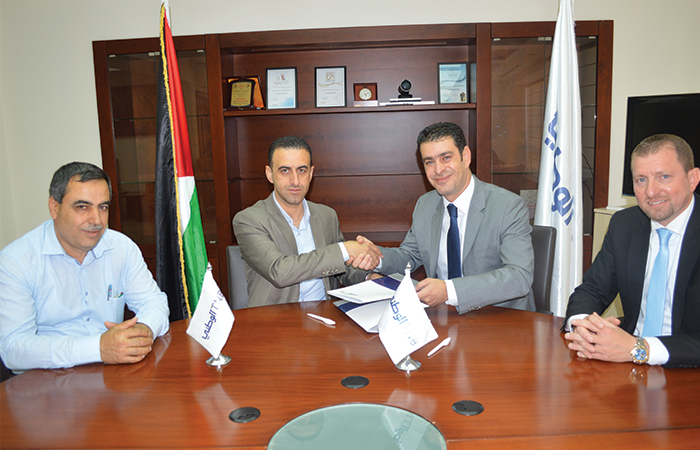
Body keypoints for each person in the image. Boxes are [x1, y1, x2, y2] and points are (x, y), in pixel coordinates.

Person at [0, 162, 169, 373]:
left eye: (103, 207)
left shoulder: (121, 247)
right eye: (82, 207)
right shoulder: (16, 261)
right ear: (54, 207)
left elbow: (154, 302)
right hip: (47, 382)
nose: (96, 220)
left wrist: (144, 331)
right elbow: (14, 349)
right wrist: (97, 348)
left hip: (112, 374)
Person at [365, 122, 534, 313]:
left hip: (497, 317)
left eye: (446, 158)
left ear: (466, 156)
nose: (438, 170)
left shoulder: (507, 206)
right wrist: (376, 258)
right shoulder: (425, 205)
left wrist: (449, 291)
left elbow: (519, 277)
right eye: (429, 162)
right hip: (441, 316)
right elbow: (409, 256)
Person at [564, 134, 700, 368]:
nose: (650, 192)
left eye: (663, 177)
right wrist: (583, 325)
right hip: (627, 367)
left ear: (692, 178)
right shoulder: (624, 224)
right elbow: (593, 289)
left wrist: (639, 349)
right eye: (641, 180)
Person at [232, 136, 382, 307]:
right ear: (270, 174)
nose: (295, 181)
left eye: (302, 170)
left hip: (325, 317)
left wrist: (367, 277)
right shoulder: (249, 220)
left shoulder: (327, 215)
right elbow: (279, 271)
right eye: (285, 170)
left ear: (311, 174)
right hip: (274, 322)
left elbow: (342, 267)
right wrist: (344, 249)